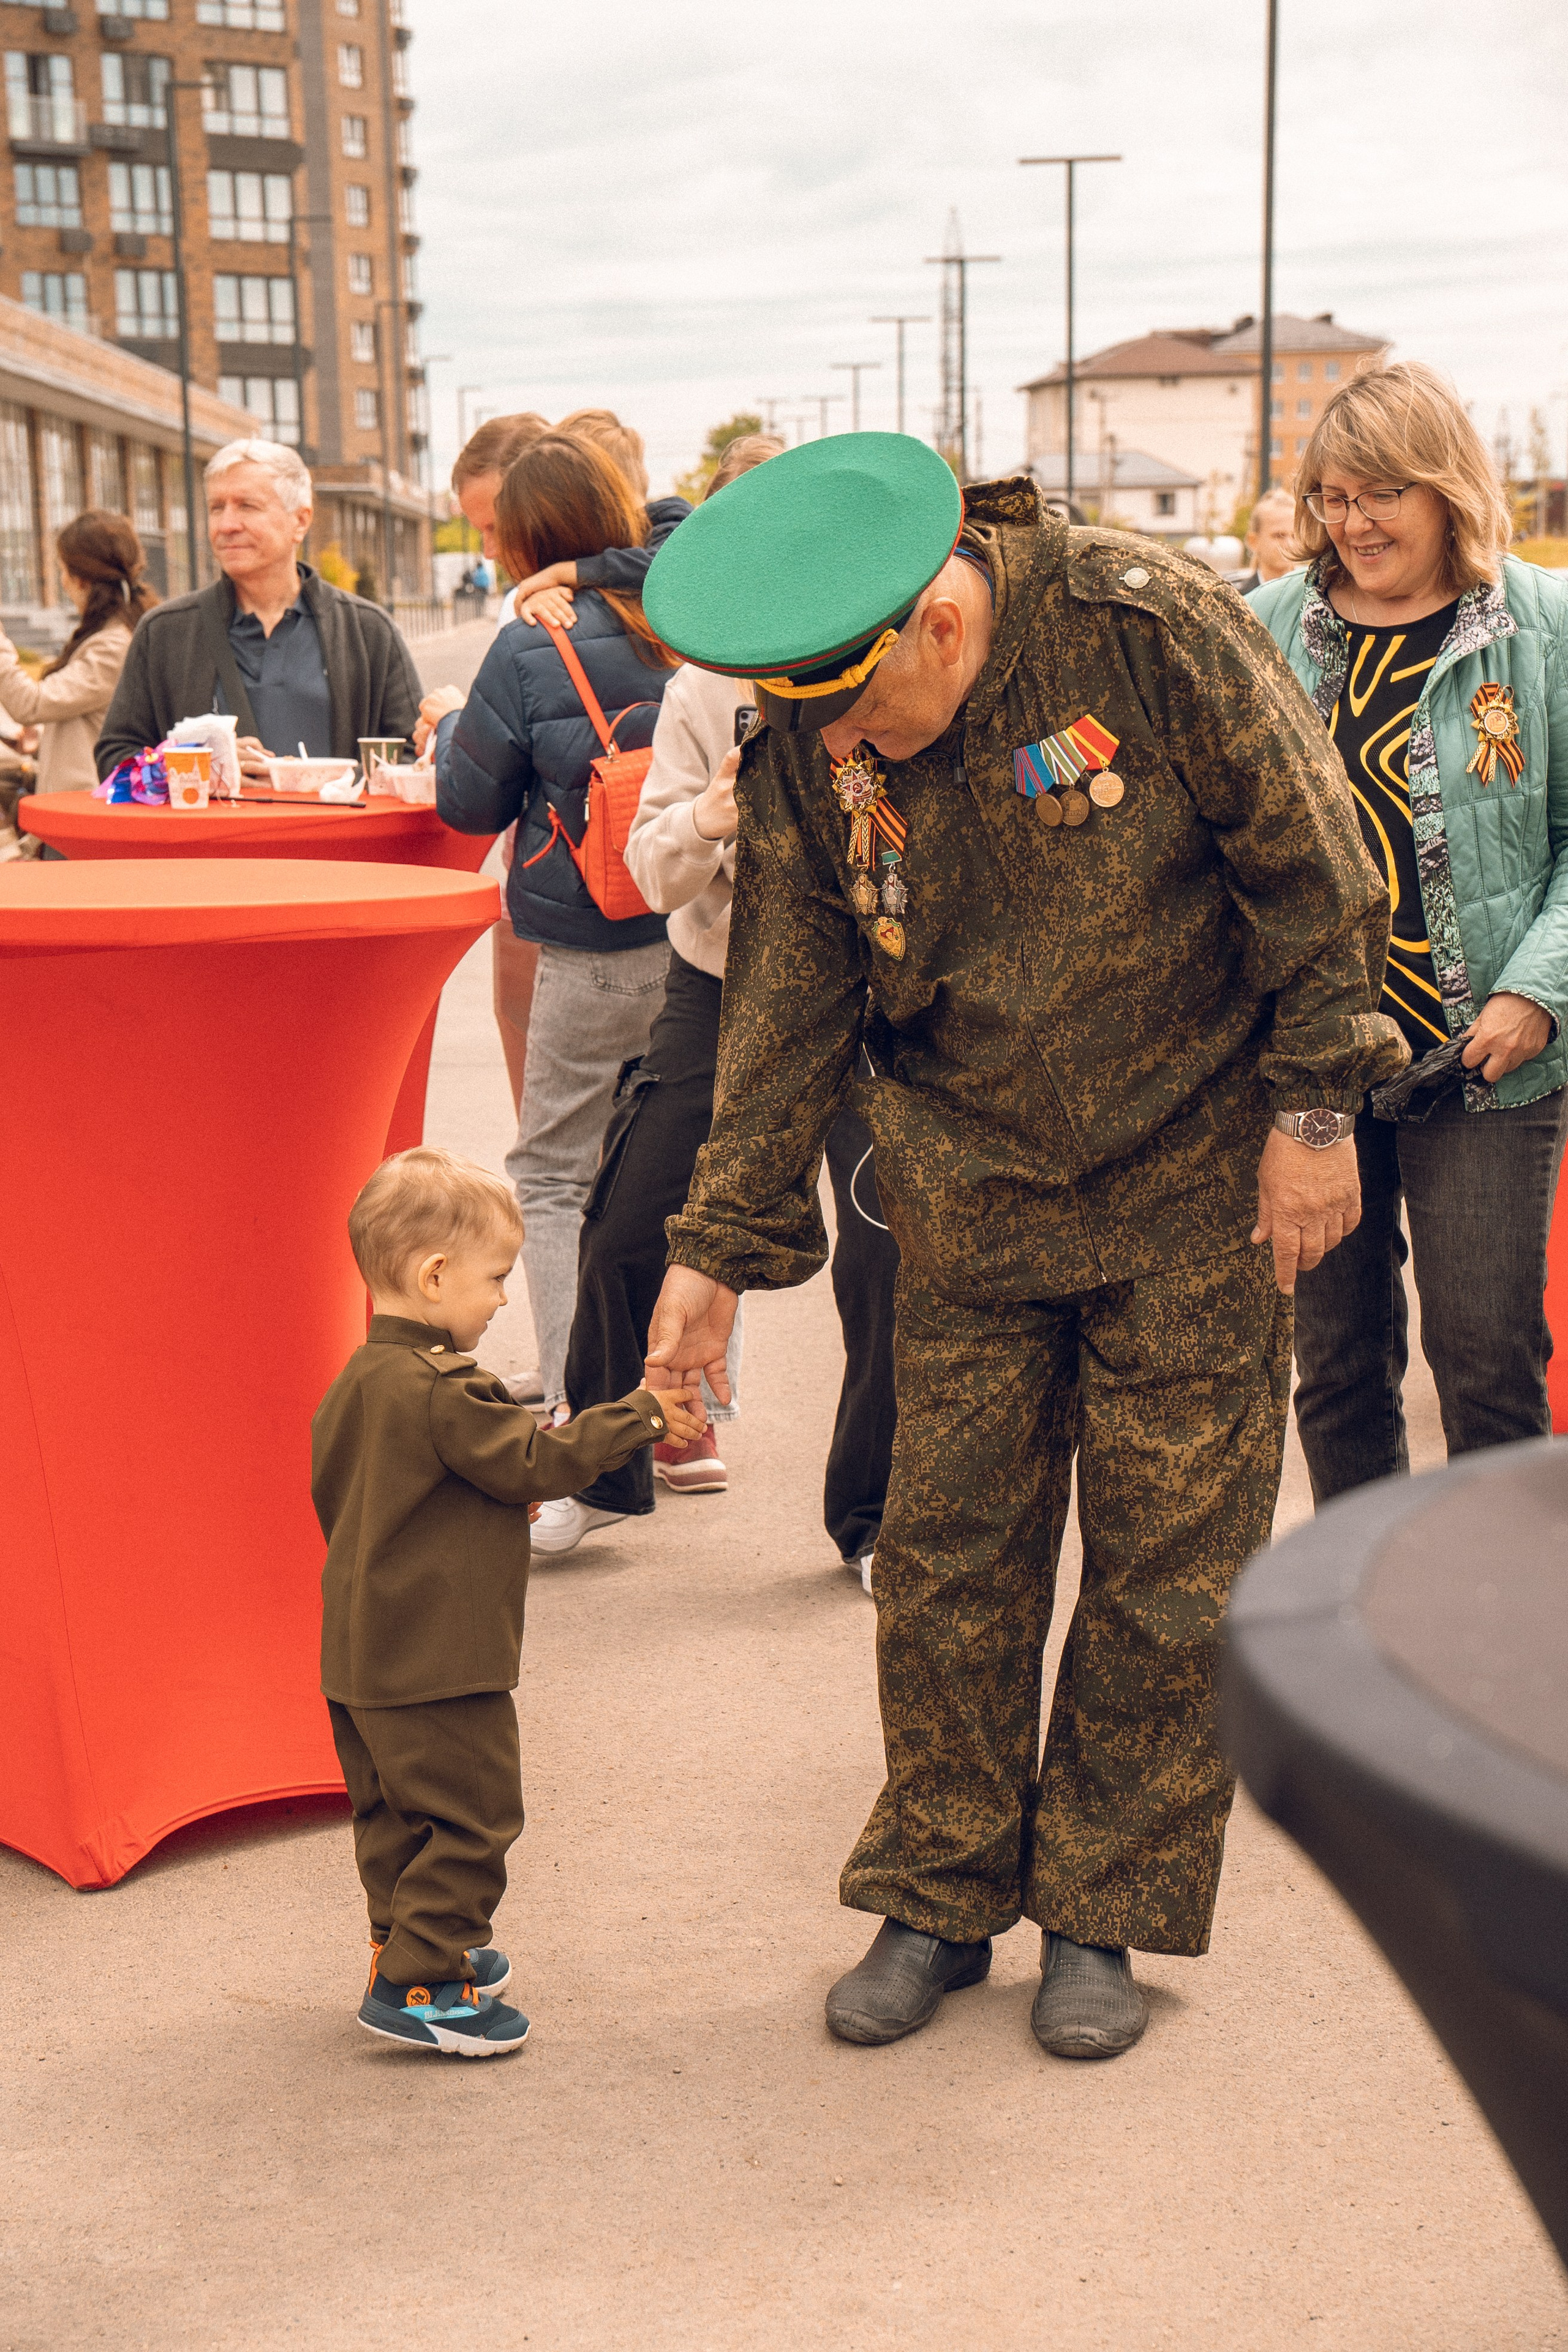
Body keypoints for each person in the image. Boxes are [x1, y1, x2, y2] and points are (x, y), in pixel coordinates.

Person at [637, 431, 1403, 2062]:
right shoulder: (812, 724)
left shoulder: (1141, 624)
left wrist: (1315, 1110)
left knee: (1168, 1567)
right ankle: (938, 1891)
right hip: (968, 1186)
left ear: (940, 619)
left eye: (862, 713)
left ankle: (1101, 1910)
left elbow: (1315, 868)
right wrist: (713, 1247)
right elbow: (787, 989)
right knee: (944, 1558)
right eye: (813, 724)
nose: (844, 750)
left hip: (1193, 1175)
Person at [537, 433, 902, 1571]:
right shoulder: (703, 685)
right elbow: (650, 873)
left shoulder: (891, 658)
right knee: (624, 1223)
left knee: (888, 1253)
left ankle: (875, 1518)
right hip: (722, 984)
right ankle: (599, 1470)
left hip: (870, 993)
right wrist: (712, 815)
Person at [1250, 360, 1568, 1504]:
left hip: (1486, 1061)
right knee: (1335, 1369)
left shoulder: (1543, 625)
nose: (1354, 523)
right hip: (1315, 1068)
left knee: (1485, 1362)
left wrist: (1538, 993)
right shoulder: (1263, 628)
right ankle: (1365, 1597)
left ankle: (1505, 1599)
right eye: (1332, 496)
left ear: (1447, 489)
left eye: (1382, 493)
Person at [312, 1145, 699, 2054]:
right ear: (434, 1275)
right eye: (493, 1278)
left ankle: (407, 1945)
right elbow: (536, 1462)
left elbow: (369, 1497)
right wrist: (640, 1413)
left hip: (362, 1657)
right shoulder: (446, 1389)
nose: (499, 1299)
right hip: (441, 1661)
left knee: (393, 1815)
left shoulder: (356, 1384)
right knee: (472, 1816)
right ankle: (422, 1988)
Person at [432, 435, 680, 1425]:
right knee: (676, 1172)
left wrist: (448, 726)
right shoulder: (683, 614)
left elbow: (469, 803)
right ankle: (693, 1416)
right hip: (691, 937)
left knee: (552, 1172)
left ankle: (585, 1405)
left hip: (588, 940)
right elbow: (683, 526)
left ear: (535, 540)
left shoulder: (531, 642)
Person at [96, 439, 421, 785]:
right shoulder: (164, 632)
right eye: (216, 508)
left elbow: (414, 756)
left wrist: (321, 781)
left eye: (247, 506)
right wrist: (200, 766)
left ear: (301, 521)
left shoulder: (368, 632)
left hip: (332, 823)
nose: (226, 525)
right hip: (215, 824)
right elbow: (116, 758)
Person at [0, 511, 154, 794]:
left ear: (83, 578)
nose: (62, 582)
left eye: (63, 570)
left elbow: (30, 704)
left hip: (85, 812)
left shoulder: (114, 647)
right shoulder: (114, 635)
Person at [1229, 485, 1298, 594]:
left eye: (1295, 536)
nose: (1289, 544)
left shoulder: (1316, 595)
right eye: (1279, 536)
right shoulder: (1236, 597)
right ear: (1253, 541)